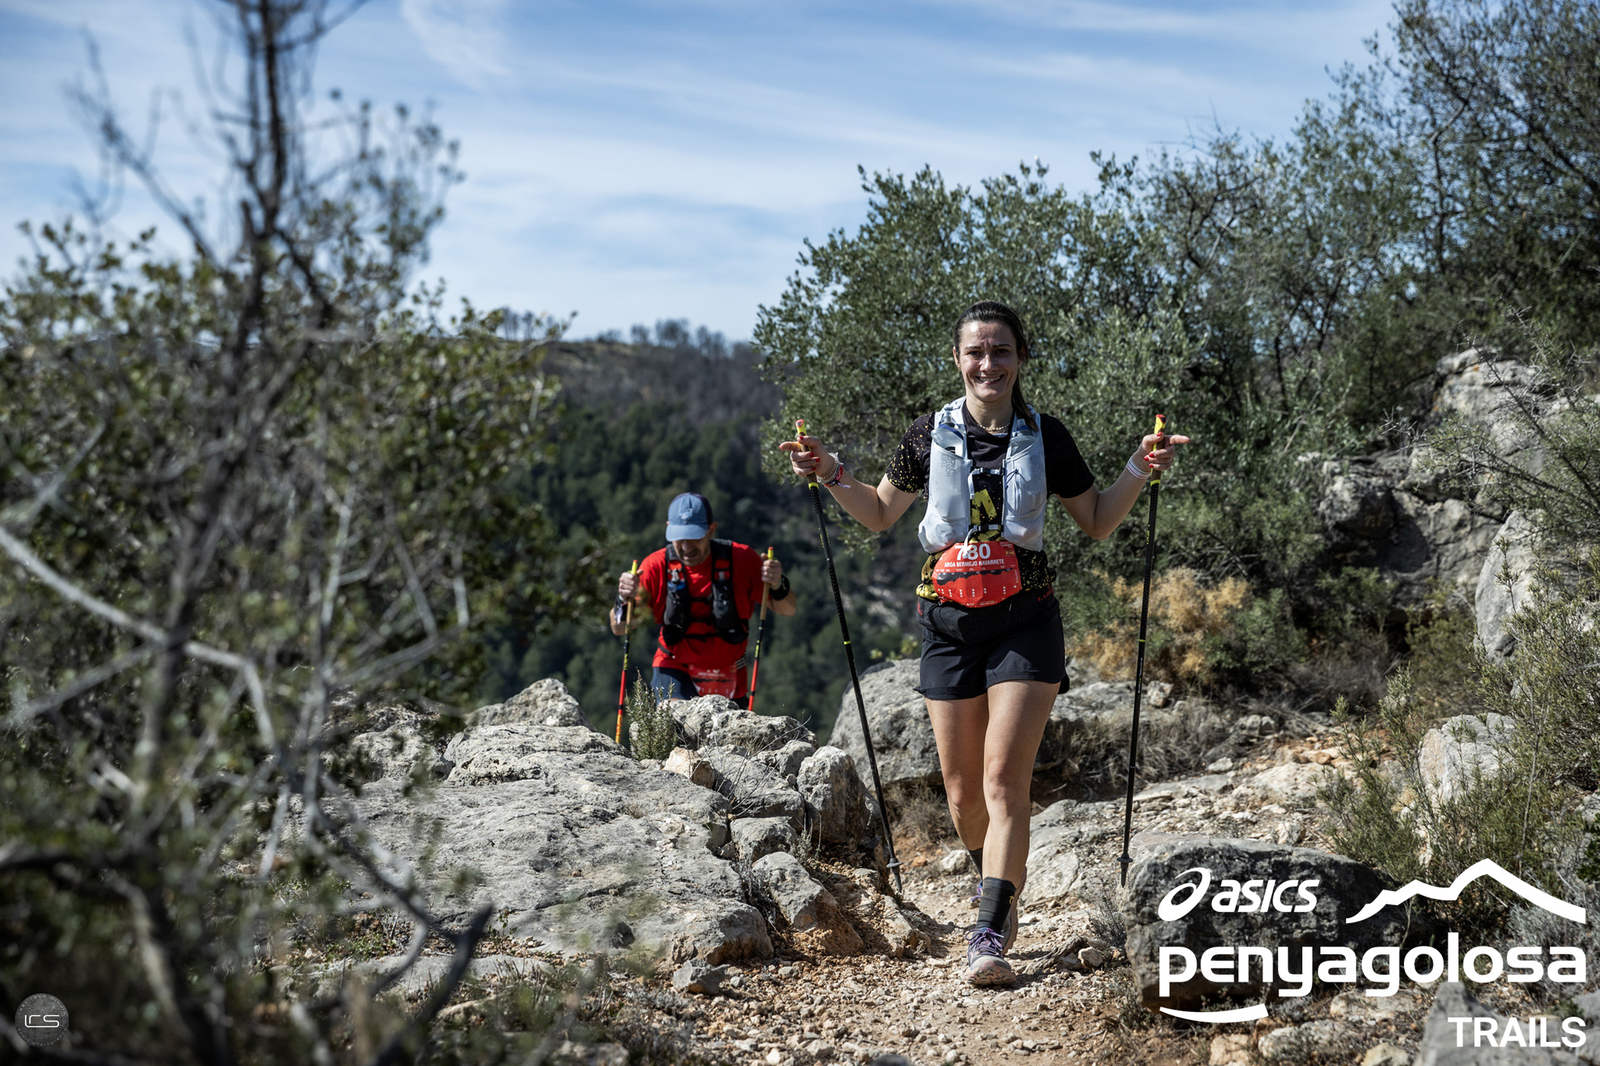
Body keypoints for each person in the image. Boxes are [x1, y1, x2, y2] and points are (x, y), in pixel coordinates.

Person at [780, 300, 1189, 987]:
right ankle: (995, 876)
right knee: (964, 796)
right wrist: (829, 472)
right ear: (957, 359)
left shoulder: (1046, 435)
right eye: (975, 351)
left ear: (1020, 358)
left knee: (1003, 780)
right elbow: (878, 512)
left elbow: (1095, 520)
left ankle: (991, 926)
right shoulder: (927, 434)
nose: (987, 364)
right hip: (948, 624)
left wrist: (1139, 468)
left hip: (1026, 619)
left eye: (1001, 351)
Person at [611, 492, 796, 708]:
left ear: (711, 530)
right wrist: (623, 598)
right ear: (668, 528)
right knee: (676, 718)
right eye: (680, 538)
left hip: (730, 671)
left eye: (694, 537)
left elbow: (788, 608)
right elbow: (620, 627)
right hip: (673, 666)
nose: (686, 547)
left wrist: (777, 583)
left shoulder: (742, 560)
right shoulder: (655, 567)